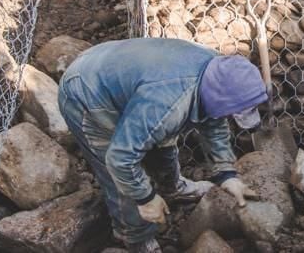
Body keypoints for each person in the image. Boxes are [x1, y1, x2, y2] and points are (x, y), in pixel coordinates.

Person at [58, 38, 268, 253]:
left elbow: (214, 120)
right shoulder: (167, 102)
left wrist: (227, 174)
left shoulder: (219, 71)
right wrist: (145, 198)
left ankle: (172, 188)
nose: (231, 117)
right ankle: (135, 238)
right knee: (118, 174)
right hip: (86, 90)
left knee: (161, 137)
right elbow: (120, 158)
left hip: (121, 70)